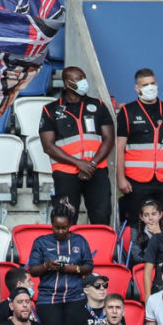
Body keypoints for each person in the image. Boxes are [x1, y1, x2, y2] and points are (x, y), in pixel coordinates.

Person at [39, 66, 115, 225]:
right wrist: (78, 163)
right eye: (79, 79)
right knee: (66, 218)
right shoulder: (50, 110)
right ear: (68, 83)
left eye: (84, 77)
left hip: (96, 171)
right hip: (65, 173)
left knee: (101, 216)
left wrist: (91, 164)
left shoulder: (98, 105)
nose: (84, 82)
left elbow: (109, 138)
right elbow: (48, 146)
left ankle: (99, 250)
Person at [116, 67, 163, 223]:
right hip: (136, 181)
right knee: (138, 223)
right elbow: (119, 148)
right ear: (137, 88)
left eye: (152, 83)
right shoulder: (127, 112)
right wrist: (120, 178)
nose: (150, 87)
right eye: (145, 84)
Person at [25, 202, 94, 325]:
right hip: (48, 298)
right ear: (51, 224)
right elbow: (33, 270)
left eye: (64, 228)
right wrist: (46, 266)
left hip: (75, 296)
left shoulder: (79, 241)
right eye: (57, 227)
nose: (61, 231)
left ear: (70, 225)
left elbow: (89, 267)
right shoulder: (41, 242)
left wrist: (74, 269)